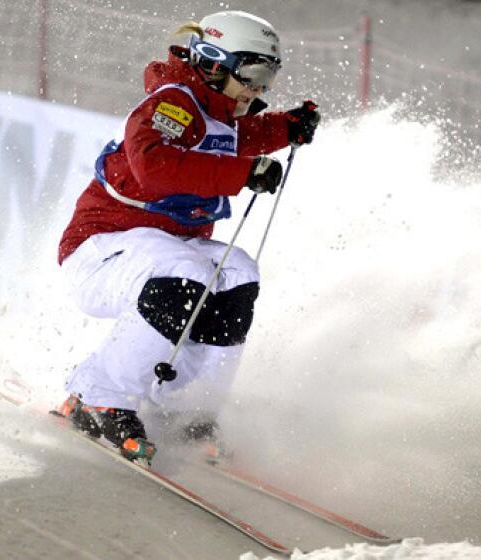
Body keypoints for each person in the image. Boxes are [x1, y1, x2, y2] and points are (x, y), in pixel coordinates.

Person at [56, 10, 320, 463]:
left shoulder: (220, 113)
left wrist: (287, 127)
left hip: (159, 248)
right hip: (104, 247)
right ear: (215, 62)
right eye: (254, 73)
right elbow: (154, 166)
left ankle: (183, 409)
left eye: (269, 76)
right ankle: (99, 395)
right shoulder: (173, 103)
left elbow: (240, 137)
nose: (260, 89)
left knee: (236, 273)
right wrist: (244, 173)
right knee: (185, 272)